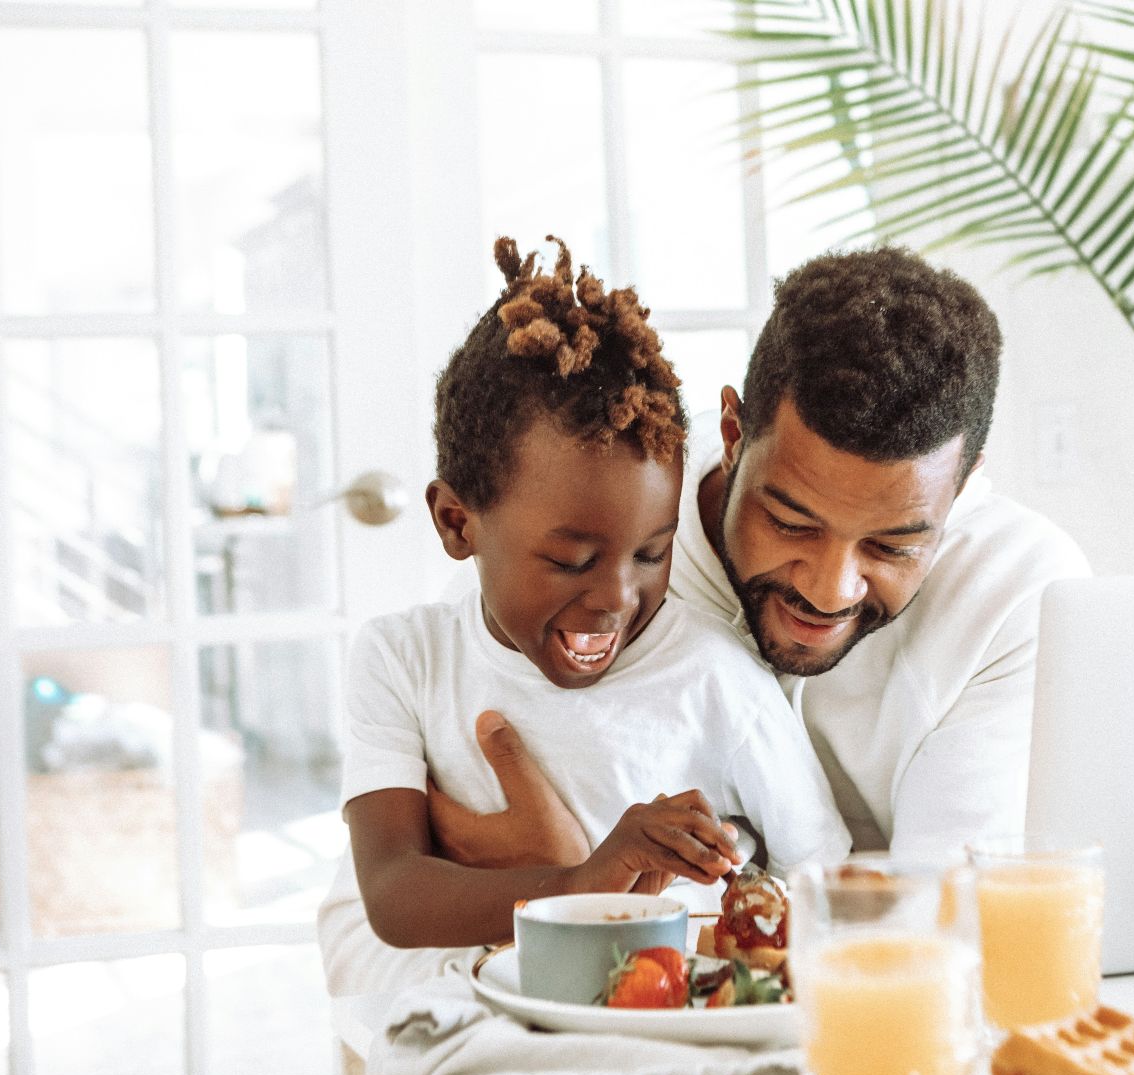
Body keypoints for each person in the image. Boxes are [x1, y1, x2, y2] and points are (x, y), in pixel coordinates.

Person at [432, 246, 1090, 860]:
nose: (830, 591)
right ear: (731, 433)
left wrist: (578, 886)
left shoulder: (1022, 592)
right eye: (791, 523)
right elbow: (388, 906)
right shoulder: (598, 558)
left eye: (891, 546)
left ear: (965, 482)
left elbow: (949, 922)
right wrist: (557, 892)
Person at [317, 237, 848, 997]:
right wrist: (588, 878)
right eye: (571, 560)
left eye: (650, 554)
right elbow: (395, 896)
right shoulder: (404, 659)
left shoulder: (712, 674)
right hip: (484, 1008)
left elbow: (823, 873)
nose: (614, 599)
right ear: (457, 524)